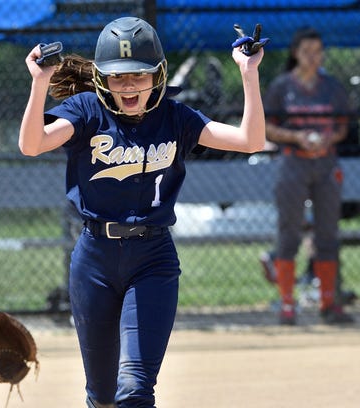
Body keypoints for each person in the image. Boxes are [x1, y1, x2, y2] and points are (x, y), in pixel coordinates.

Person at [19, 16, 266, 407]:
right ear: (101, 79)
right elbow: (32, 144)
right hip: (94, 261)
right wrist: (39, 84)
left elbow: (251, 140)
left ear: (159, 74)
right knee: (101, 396)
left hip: (153, 260)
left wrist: (248, 73)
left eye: (139, 74)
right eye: (118, 77)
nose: (129, 84)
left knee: (134, 388)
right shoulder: (86, 111)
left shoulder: (175, 117)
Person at [263, 27, 355, 325]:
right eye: (307, 51)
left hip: (326, 163)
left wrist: (328, 138)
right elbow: (266, 126)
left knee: (328, 233)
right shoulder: (282, 87)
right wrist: (297, 136)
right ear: (296, 54)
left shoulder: (332, 87)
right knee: (289, 232)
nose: (313, 57)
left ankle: (330, 303)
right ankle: (288, 304)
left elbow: (343, 126)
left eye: (318, 51)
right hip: (294, 161)